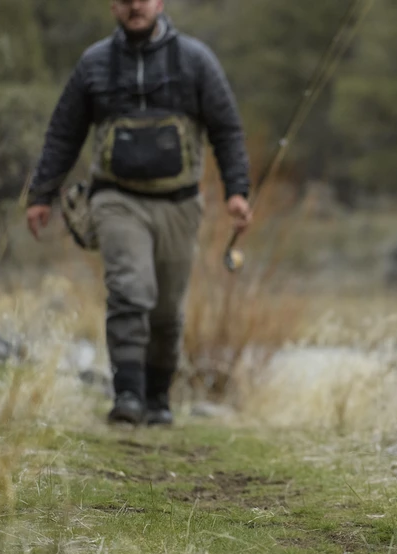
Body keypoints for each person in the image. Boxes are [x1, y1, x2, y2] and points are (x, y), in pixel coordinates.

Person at [24, 0, 253, 426]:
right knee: (131, 292)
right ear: (113, 6)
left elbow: (227, 129)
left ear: (159, 3)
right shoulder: (93, 64)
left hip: (181, 203)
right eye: (125, 0)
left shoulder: (195, 60)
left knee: (167, 310)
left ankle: (158, 397)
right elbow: (64, 132)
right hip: (116, 200)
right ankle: (127, 394)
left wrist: (237, 191)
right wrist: (41, 194)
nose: (135, 7)